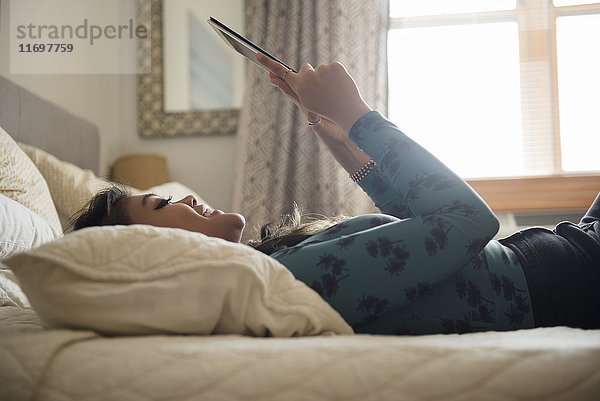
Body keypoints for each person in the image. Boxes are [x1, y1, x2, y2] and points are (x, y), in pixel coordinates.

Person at [69, 53, 600, 335]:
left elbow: (427, 241)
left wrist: (350, 153)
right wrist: (359, 116)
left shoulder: (279, 273)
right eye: (162, 206)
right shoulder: (289, 283)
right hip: (572, 275)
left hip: (564, 254)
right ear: (153, 255)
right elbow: (468, 221)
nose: (184, 198)